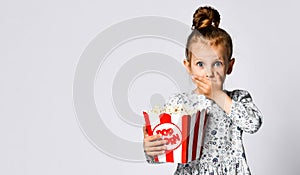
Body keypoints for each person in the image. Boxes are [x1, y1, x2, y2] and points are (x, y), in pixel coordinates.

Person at [143, 6, 262, 175]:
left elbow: (253, 124)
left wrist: (218, 96)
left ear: (230, 66)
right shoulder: (180, 104)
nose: (209, 73)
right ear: (188, 67)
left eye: (217, 63)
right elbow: (166, 149)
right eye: (200, 64)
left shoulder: (237, 99)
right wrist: (150, 148)